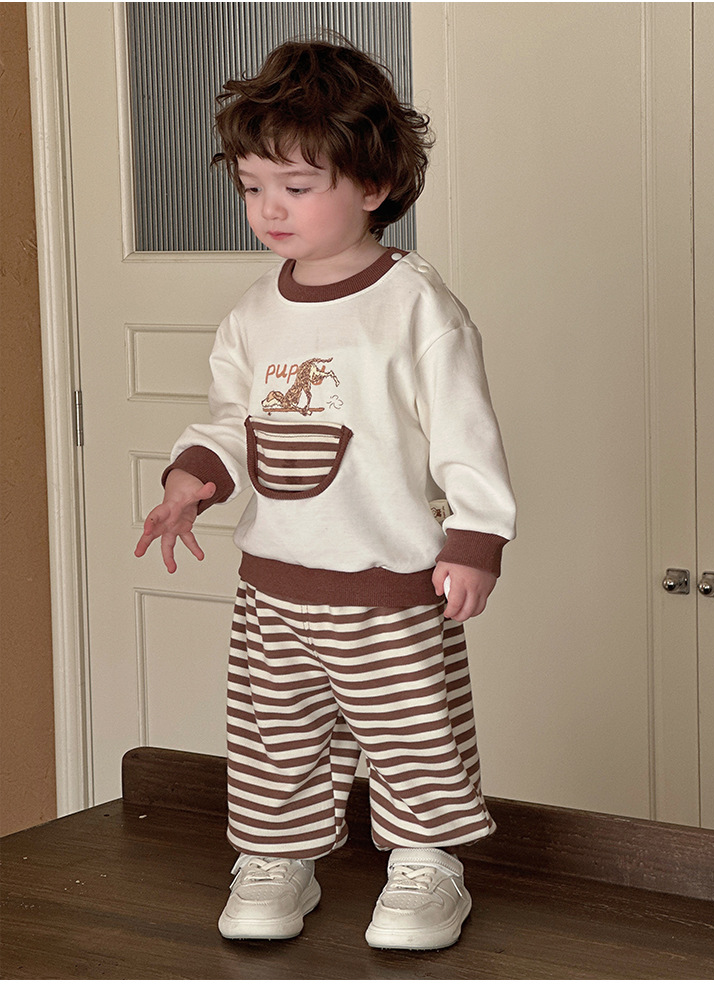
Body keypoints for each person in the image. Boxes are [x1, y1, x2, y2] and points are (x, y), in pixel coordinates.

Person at [134, 38, 516, 952]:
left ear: (373, 184)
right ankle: (276, 859)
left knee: (414, 734)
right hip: (275, 583)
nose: (270, 208)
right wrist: (194, 476)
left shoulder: (416, 307)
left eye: (297, 187)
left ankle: (427, 864)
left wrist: (476, 538)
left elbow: (465, 435)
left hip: (390, 583)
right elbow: (237, 420)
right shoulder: (253, 314)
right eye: (252, 186)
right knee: (276, 735)